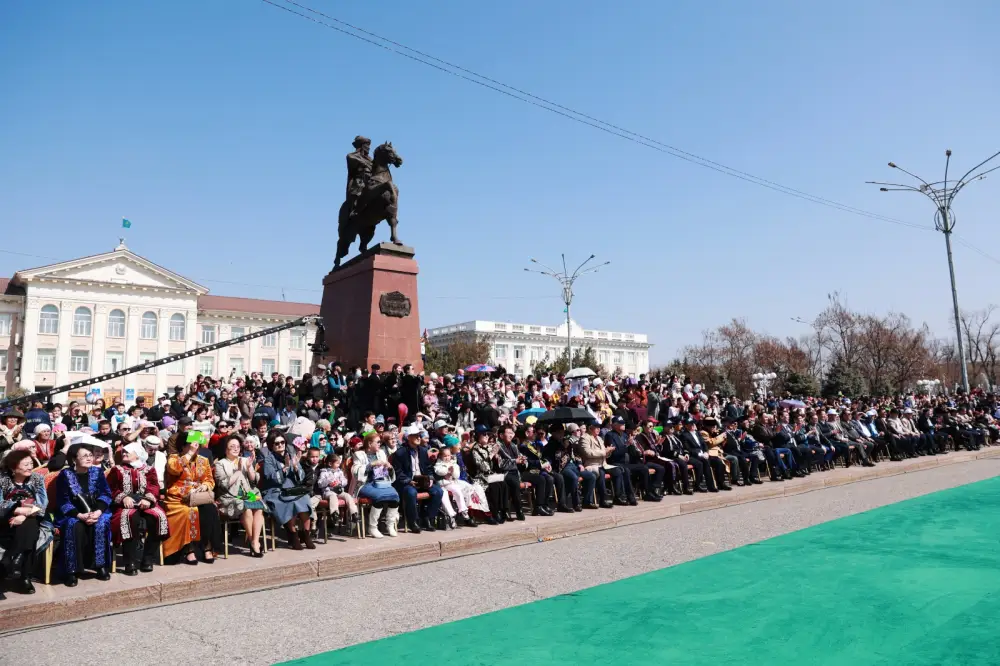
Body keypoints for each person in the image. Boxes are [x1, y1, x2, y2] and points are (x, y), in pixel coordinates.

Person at [54, 442, 113, 586]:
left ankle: (101, 566)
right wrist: (79, 515)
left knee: (102, 523)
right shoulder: (65, 475)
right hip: (73, 514)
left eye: (90, 455)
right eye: (85, 455)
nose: (89, 458)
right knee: (73, 526)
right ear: (74, 459)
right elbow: (63, 501)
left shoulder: (97, 472)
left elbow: (105, 494)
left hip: (96, 512)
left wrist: (98, 512)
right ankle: (72, 571)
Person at [107, 442, 169, 574]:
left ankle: (148, 558)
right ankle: (130, 562)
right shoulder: (117, 469)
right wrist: (123, 497)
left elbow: (154, 486)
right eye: (123, 452)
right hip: (124, 504)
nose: (124, 454)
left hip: (145, 502)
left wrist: (148, 499)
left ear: (137, 455)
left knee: (158, 517)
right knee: (129, 519)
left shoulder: (148, 469)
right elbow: (111, 488)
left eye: (127, 452)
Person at [163, 431, 223, 565]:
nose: (194, 448)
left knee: (210, 510)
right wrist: (188, 454)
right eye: (190, 446)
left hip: (198, 496)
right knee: (189, 512)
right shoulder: (173, 458)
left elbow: (209, 479)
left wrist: (205, 486)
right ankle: (189, 549)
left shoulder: (203, 460)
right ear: (183, 446)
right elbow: (174, 470)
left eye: (195, 446)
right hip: (178, 498)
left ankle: (207, 547)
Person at [0, 450, 52, 597]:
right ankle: (24, 576)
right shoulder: (2, 479)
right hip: (6, 519)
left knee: (29, 525)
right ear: (13, 468)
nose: (30, 467)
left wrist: (25, 515)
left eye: (31, 463)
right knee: (28, 531)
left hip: (34, 518)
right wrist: (18, 508)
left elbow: (42, 503)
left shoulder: (36, 478)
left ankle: (14, 560)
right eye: (26, 464)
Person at [214, 434, 266, 558]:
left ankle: (254, 541)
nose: (236, 449)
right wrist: (237, 473)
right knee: (246, 507)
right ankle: (254, 542)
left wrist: (249, 468)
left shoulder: (244, 460)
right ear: (225, 449)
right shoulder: (220, 464)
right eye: (232, 446)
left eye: (237, 446)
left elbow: (254, 482)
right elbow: (223, 485)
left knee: (259, 507)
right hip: (229, 496)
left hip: (247, 494)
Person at [260, 431, 314, 550]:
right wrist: (284, 468)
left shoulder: (291, 455)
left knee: (305, 499)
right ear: (271, 446)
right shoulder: (269, 459)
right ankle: (293, 535)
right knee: (290, 503)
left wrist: (295, 467)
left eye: (282, 442)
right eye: (276, 443)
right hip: (275, 490)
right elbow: (271, 477)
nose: (280, 445)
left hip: (292, 488)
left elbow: (301, 477)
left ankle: (306, 534)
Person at [392, 425, 445, 532]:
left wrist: (430, 478)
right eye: (416, 436)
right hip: (407, 482)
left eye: (419, 435)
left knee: (438, 491)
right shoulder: (400, 453)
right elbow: (398, 472)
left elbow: (429, 468)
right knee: (411, 493)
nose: (419, 438)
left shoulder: (423, 451)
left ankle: (427, 518)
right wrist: (409, 481)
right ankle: (413, 521)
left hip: (422, 481)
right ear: (409, 437)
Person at [352, 431, 400, 538]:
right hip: (366, 484)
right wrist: (371, 464)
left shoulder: (381, 453)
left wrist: (389, 467)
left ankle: (390, 525)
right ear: (369, 444)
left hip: (382, 483)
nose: (380, 444)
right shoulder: (358, 454)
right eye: (377, 442)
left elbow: (389, 473)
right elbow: (356, 472)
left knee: (395, 496)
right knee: (379, 497)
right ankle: (373, 527)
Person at [433, 435, 481, 526]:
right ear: (440, 456)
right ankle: (451, 515)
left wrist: (453, 471)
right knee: (444, 495)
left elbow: (457, 475)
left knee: (459, 491)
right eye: (445, 456)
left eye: (448, 456)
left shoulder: (453, 463)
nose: (447, 458)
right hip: (442, 484)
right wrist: (446, 471)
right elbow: (438, 471)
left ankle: (464, 511)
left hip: (451, 483)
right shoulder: (439, 463)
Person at [574, 421, 618, 507]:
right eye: (596, 427)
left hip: (603, 464)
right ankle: (603, 499)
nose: (598, 429)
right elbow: (588, 453)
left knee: (619, 470)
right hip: (591, 465)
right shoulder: (585, 438)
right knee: (601, 473)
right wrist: (604, 451)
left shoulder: (600, 438)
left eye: (599, 427)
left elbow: (605, 454)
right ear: (590, 428)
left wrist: (609, 451)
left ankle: (619, 496)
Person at [316, 452, 359, 531]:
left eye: (339, 463)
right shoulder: (324, 472)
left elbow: (345, 481)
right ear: (330, 463)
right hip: (328, 492)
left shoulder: (339, 472)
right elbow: (320, 484)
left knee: (348, 496)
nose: (338, 465)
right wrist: (328, 481)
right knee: (333, 497)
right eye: (337, 463)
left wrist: (340, 482)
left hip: (338, 491)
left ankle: (354, 513)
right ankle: (334, 513)